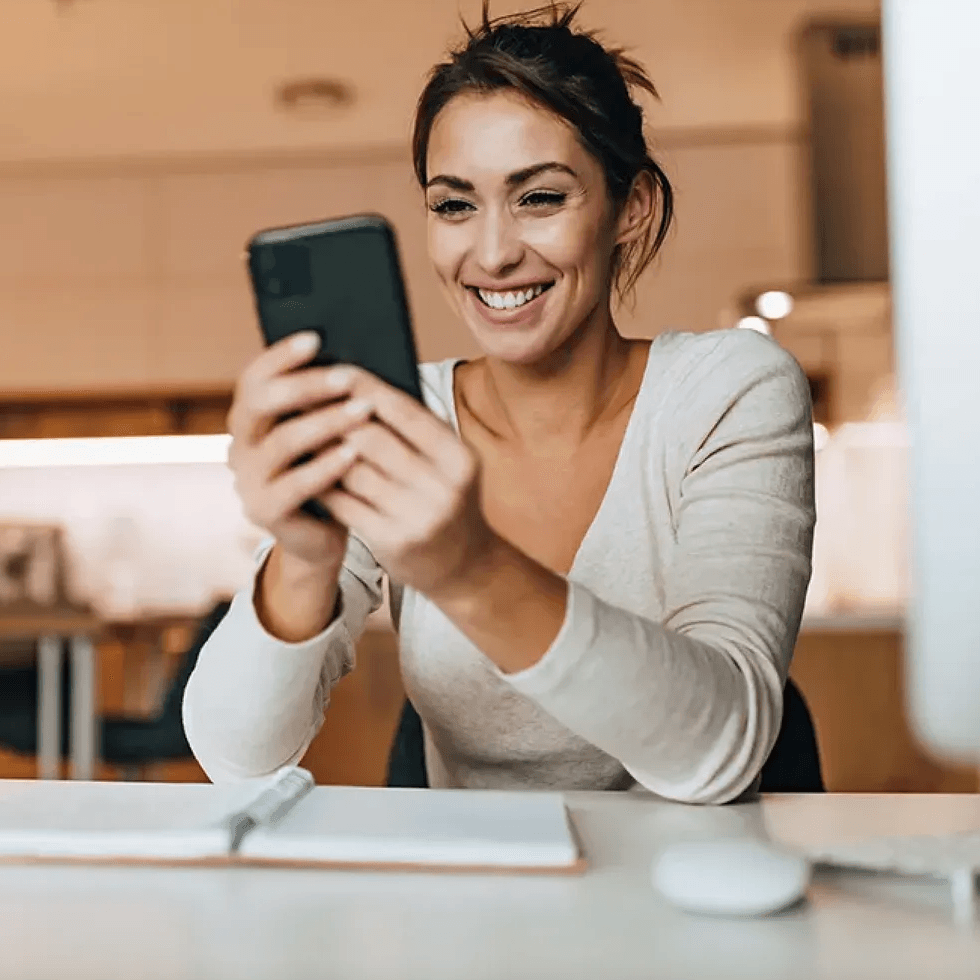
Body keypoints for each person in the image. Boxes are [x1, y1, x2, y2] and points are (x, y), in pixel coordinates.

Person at [182, 2, 815, 804]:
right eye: (455, 205)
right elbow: (235, 759)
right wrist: (305, 557)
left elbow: (720, 750)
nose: (492, 253)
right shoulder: (397, 415)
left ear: (633, 208)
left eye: (540, 198)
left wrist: (467, 567)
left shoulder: (728, 390)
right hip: (481, 874)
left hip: (691, 871)